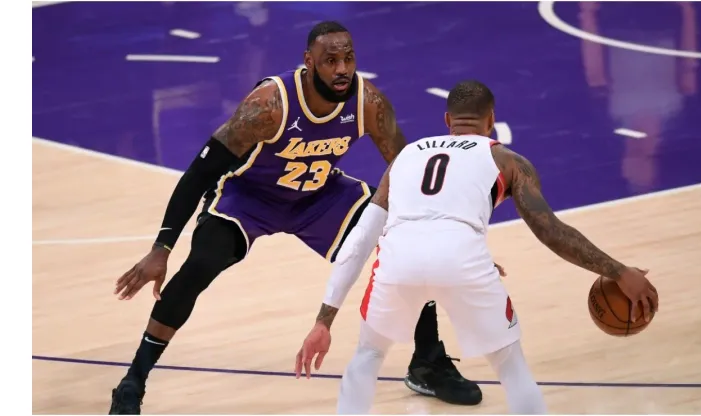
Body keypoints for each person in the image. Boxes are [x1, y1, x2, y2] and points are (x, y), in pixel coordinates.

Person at [108, 21, 480, 415]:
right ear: (309, 62)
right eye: (330, 60)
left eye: (348, 59)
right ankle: (134, 379)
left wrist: (446, 232)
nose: (342, 69)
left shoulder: (368, 103)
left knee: (408, 247)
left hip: (318, 195)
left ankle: (427, 362)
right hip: (248, 196)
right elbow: (201, 172)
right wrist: (162, 247)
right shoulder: (270, 105)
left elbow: (408, 172)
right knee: (200, 264)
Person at [294, 80, 660, 414]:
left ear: (447, 119)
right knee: (510, 365)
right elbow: (551, 231)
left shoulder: (405, 157)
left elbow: (360, 240)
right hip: (462, 262)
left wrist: (323, 321)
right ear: (491, 121)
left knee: (368, 354)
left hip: (399, 262)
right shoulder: (507, 160)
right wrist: (617, 271)